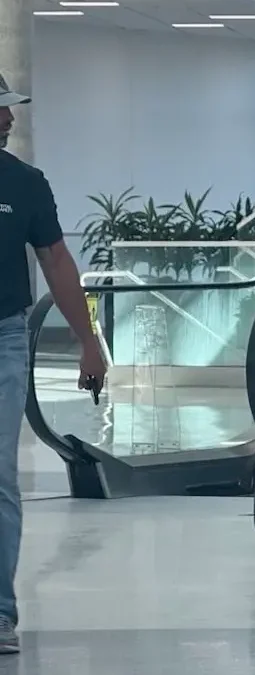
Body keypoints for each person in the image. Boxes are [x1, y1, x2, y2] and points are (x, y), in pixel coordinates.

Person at [0, 73, 108, 654]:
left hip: (3, 339)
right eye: (2, 109)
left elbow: (59, 262)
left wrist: (87, 342)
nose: (11, 118)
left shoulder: (24, 183)